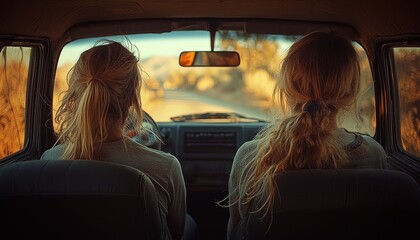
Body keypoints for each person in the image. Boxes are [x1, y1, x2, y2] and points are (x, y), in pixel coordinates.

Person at [220, 31, 388, 239]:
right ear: (350, 92)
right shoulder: (375, 154)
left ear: (287, 88)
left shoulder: (250, 157)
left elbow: (237, 229)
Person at [40, 40, 188, 240]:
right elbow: (176, 232)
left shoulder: (48, 162)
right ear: (132, 99)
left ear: (75, 96)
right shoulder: (166, 167)